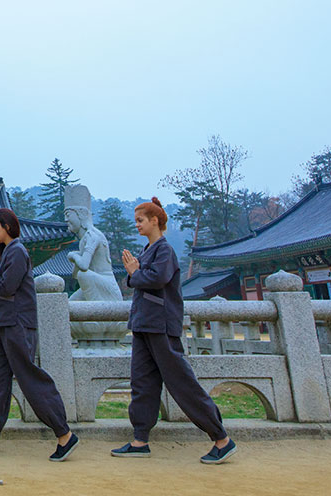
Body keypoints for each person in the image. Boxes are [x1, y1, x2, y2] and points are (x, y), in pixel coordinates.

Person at [112, 197, 238, 464]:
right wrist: (134, 271)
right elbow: (141, 279)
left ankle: (221, 438)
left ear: (155, 221)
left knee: (181, 382)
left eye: (140, 220)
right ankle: (140, 439)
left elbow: (157, 279)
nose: (137, 225)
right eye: (136, 221)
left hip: (160, 325)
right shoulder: (148, 250)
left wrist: (134, 273)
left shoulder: (165, 251)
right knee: (142, 383)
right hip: (144, 324)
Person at [0, 208, 79, 462]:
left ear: (7, 226)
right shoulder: (7, 253)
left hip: (16, 325)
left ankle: (64, 434)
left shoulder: (17, 251)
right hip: (1, 325)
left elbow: (5, 288)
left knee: (29, 378)